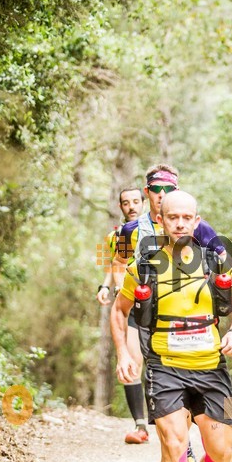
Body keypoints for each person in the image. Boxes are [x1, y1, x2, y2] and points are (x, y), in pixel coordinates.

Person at [110, 190, 232, 462]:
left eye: (188, 218)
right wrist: (123, 352)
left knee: (221, 453)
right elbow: (118, 310)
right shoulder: (142, 265)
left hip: (210, 366)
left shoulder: (215, 261)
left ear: (197, 220)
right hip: (163, 366)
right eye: (174, 218)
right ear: (161, 220)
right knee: (173, 446)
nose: (181, 223)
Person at [111, 162, 230, 462]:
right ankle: (175, 440)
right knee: (156, 366)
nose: (162, 194)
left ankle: (184, 437)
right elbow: (118, 262)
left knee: (176, 370)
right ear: (146, 190)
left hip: (188, 317)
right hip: (145, 309)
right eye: (156, 189)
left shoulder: (195, 226)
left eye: (169, 189)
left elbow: (223, 260)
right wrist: (120, 288)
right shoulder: (130, 229)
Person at [96, 187, 149, 444]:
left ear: (144, 202)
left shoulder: (156, 230)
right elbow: (114, 263)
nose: (131, 206)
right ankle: (140, 425)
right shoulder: (115, 235)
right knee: (132, 361)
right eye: (126, 203)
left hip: (158, 302)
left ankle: (165, 418)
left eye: (136, 201)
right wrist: (107, 286)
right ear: (120, 207)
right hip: (129, 303)